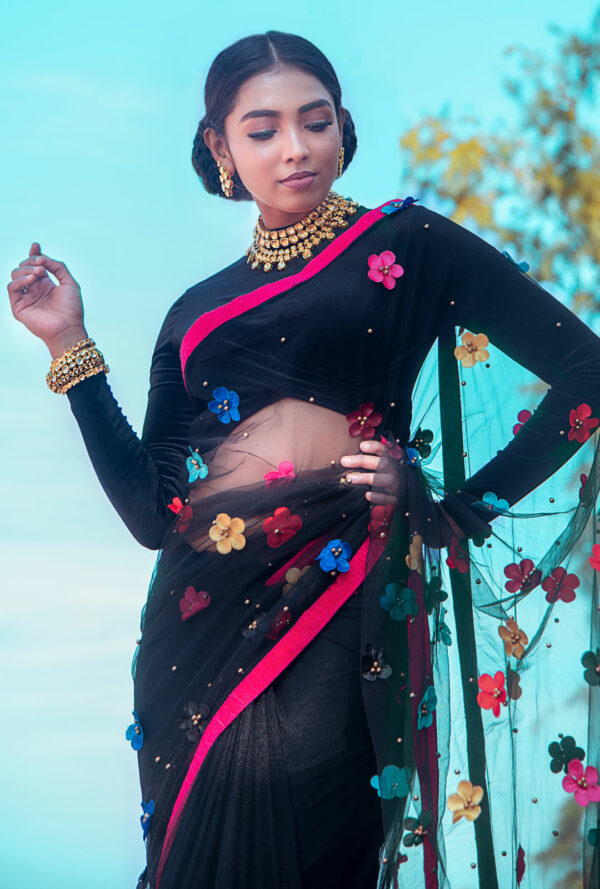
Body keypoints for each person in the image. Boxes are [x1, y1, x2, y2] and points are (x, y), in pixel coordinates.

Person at [7, 28, 600, 889]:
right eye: (262, 129)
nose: (295, 148)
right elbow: (152, 516)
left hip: (342, 598)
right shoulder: (193, 313)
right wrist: (71, 345)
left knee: (314, 844)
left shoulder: (410, 243)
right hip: (195, 634)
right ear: (219, 149)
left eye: (315, 121)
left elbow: (583, 370)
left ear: (341, 126)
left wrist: (451, 507)